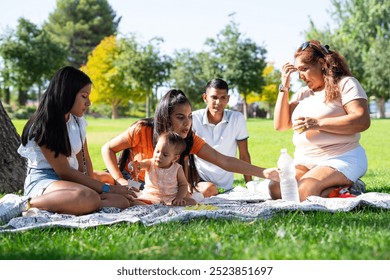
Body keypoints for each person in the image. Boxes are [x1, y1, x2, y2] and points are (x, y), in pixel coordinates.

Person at [0, 66, 137, 224]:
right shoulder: (46, 125)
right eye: (84, 96)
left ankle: (76, 203)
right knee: (90, 197)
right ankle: (25, 203)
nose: (89, 103)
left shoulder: (78, 121)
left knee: (121, 200)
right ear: (67, 93)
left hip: (69, 182)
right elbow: (64, 172)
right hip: (46, 181)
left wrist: (101, 186)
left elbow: (83, 164)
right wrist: (107, 189)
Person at [101, 89, 279, 197]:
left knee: (209, 188)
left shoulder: (188, 139)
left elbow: (223, 160)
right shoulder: (142, 129)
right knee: (100, 178)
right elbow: (107, 148)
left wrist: (263, 172)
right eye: (180, 118)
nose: (187, 123)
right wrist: (119, 180)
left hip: (165, 189)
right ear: (165, 117)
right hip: (133, 183)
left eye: (189, 117)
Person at [271, 40, 370, 202]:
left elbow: (362, 120)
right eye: (298, 71)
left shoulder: (346, 84)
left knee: (303, 191)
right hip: (305, 161)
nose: (301, 76)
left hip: (341, 157)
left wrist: (317, 123)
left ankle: (346, 185)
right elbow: (281, 125)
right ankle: (338, 190)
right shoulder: (303, 93)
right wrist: (284, 87)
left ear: (321, 63)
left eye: (304, 69)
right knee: (276, 188)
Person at [192, 78, 252, 197]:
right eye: (214, 97)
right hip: (200, 181)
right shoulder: (194, 118)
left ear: (228, 99)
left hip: (226, 187)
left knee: (210, 192)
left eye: (223, 98)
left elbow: (244, 154)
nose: (218, 102)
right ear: (205, 98)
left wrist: (250, 185)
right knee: (208, 190)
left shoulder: (237, 118)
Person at [131, 131, 196, 206]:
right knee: (134, 201)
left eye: (165, 155)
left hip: (171, 198)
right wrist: (135, 165)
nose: (159, 156)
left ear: (175, 158)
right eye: (157, 151)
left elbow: (183, 185)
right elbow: (139, 164)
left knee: (192, 202)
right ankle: (153, 206)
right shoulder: (150, 163)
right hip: (150, 197)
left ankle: (167, 206)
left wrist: (179, 198)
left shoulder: (177, 169)